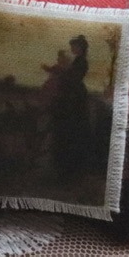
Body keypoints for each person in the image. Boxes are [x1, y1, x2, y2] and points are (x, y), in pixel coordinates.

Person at [39, 35, 93, 181]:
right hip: (70, 98)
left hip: (74, 100)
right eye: (72, 46)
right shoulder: (77, 61)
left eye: (74, 46)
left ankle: (68, 171)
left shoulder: (81, 62)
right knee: (63, 132)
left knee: (69, 133)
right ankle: (63, 169)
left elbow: (73, 78)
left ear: (80, 48)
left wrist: (60, 73)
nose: (72, 49)